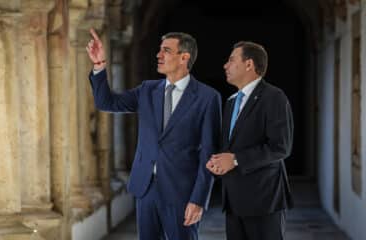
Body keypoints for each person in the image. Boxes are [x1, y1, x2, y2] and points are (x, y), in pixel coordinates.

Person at [86, 28, 221, 240]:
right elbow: (107, 102)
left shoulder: (207, 97)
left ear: (184, 57)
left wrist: (199, 199)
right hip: (145, 188)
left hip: (182, 192)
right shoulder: (147, 90)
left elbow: (209, 152)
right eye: (159, 50)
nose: (158, 55)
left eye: (166, 50)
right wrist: (99, 65)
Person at [206, 41, 294, 240]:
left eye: (231, 60)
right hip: (233, 202)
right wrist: (218, 161)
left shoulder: (274, 97)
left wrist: (236, 159)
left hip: (264, 200)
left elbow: (281, 147)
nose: (225, 66)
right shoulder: (230, 101)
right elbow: (230, 146)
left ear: (249, 64)